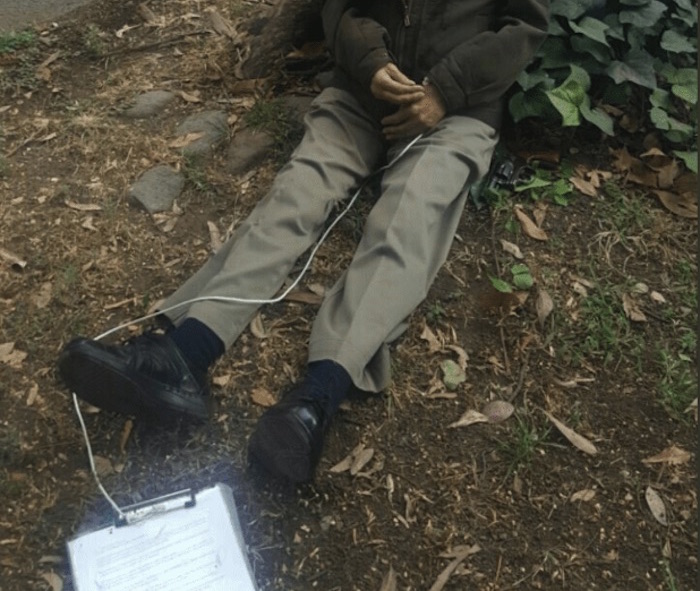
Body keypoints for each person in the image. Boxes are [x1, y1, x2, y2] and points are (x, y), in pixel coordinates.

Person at [58, 0, 550, 483]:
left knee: (408, 221)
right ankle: (184, 353)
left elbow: (526, 26)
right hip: (362, 96)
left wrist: (445, 89)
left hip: (457, 113)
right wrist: (370, 62)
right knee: (296, 194)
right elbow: (339, 8)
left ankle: (316, 400)